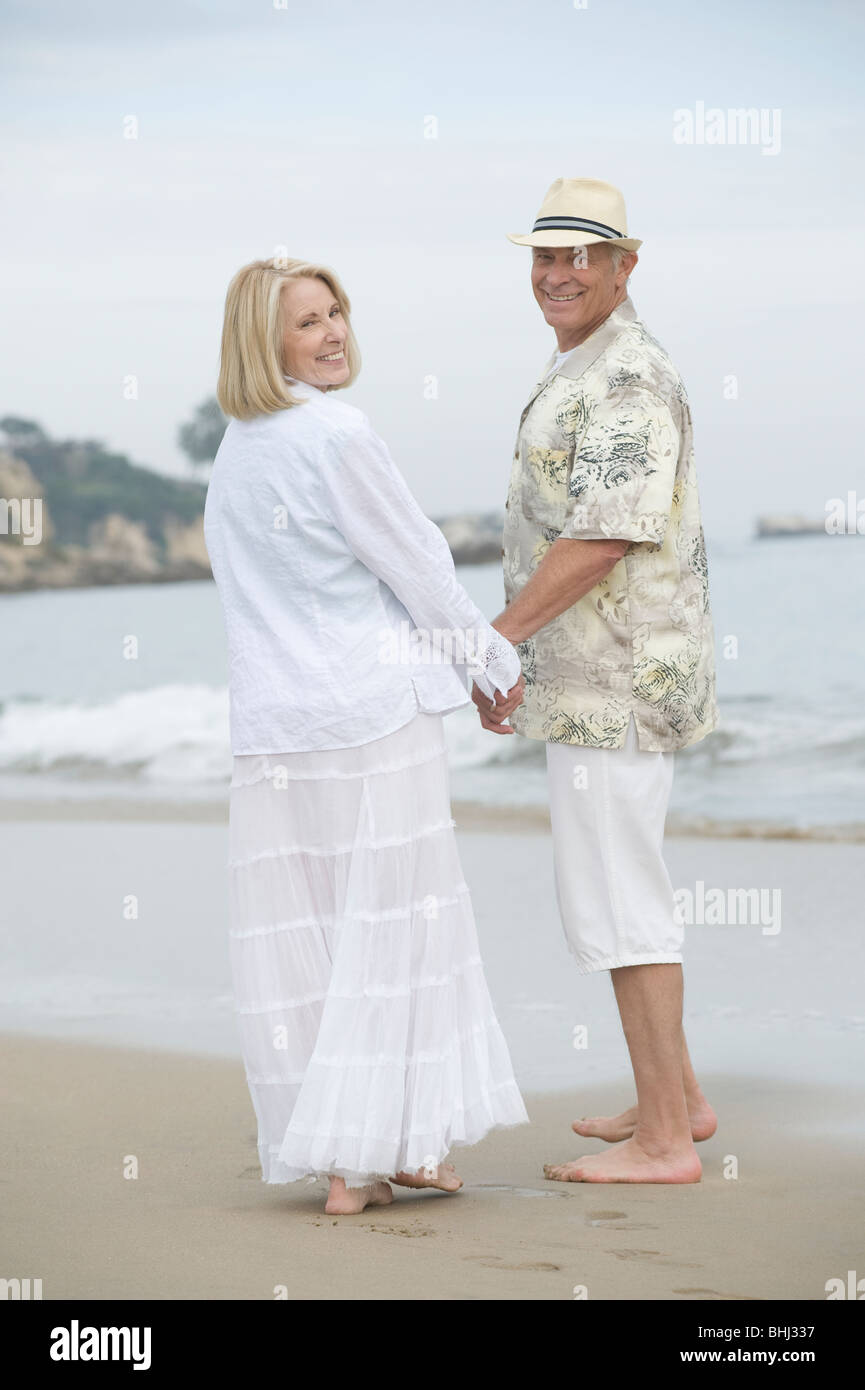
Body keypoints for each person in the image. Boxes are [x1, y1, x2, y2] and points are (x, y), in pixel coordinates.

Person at [203, 255, 529, 1215]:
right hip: (366, 716)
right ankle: (403, 1149)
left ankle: (346, 1165)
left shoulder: (235, 451)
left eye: (335, 311)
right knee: (395, 930)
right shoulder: (335, 433)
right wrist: (491, 665)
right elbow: (419, 564)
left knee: (310, 940)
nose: (333, 331)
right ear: (265, 345)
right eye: (306, 323)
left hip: (273, 732)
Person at [473, 178, 720, 1183]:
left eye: (581, 255)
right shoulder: (584, 359)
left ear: (625, 264)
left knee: (622, 898)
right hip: (592, 677)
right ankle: (681, 1100)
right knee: (620, 887)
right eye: (545, 255)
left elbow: (608, 533)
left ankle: (664, 1142)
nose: (558, 272)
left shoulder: (628, 375)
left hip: (616, 681)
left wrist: (496, 641)